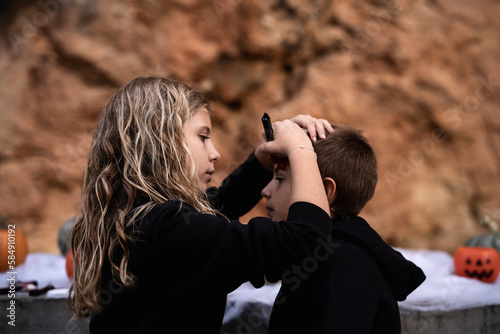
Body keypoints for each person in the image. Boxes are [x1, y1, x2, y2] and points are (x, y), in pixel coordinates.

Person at [68, 76, 335, 333]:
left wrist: (263, 159)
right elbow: (304, 240)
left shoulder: (137, 216)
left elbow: (216, 205)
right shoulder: (168, 227)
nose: (215, 154)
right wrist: (302, 152)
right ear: (163, 141)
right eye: (203, 137)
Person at [263, 125, 426, 334]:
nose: (265, 190)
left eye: (279, 179)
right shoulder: (324, 254)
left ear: (325, 191)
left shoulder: (342, 266)